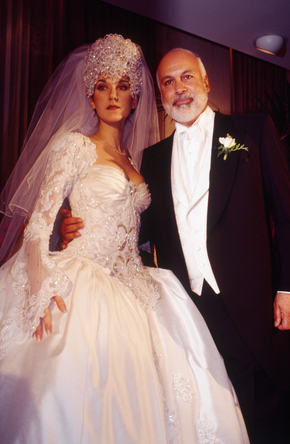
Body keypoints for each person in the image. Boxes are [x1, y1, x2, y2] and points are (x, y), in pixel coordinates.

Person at [0, 35, 249, 443]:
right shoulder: (74, 147)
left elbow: (144, 230)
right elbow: (36, 226)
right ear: (90, 96)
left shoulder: (139, 160)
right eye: (102, 86)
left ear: (135, 98)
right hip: (84, 280)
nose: (112, 95)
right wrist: (40, 284)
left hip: (136, 281)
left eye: (122, 86)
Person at [139, 49, 290, 443]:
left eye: (187, 77)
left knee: (266, 420)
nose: (179, 89)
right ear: (161, 94)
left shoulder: (252, 130)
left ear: (206, 82)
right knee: (213, 419)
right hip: (192, 315)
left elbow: (287, 219)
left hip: (258, 308)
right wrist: (77, 224)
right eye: (168, 82)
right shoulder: (152, 158)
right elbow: (140, 231)